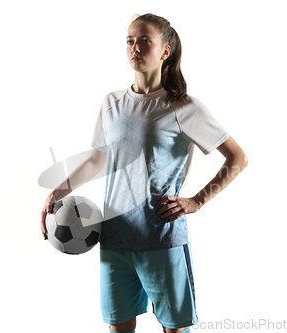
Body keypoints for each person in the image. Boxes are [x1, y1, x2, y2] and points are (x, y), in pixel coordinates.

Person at [40, 13, 249, 333]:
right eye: (130, 41)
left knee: (174, 329)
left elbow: (237, 158)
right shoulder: (111, 103)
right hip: (114, 239)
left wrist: (196, 201)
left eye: (144, 41)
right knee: (118, 327)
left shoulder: (183, 106)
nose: (134, 47)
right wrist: (57, 192)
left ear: (165, 51)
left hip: (162, 238)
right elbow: (97, 161)